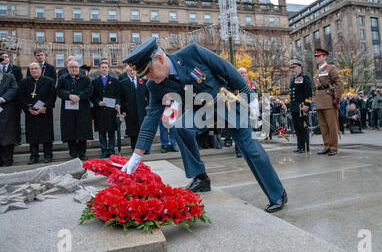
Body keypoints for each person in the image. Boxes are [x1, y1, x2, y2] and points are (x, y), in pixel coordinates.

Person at [121, 37, 287, 213]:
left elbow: (226, 68)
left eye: (149, 72)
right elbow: (151, 117)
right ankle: (201, 177)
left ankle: (277, 194)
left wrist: (249, 95)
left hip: (225, 103)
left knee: (249, 148)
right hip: (201, 112)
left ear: (160, 59)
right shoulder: (155, 86)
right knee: (180, 126)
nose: (148, 78)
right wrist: (137, 155)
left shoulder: (192, 53)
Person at [18, 62, 56, 164]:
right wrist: (28, 108)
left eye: (36, 68)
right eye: (32, 69)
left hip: (45, 112)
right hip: (31, 113)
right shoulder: (24, 82)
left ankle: (48, 154)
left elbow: (52, 96)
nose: (34, 70)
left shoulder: (49, 81)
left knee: (46, 134)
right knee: (32, 135)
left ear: (40, 69)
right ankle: (34, 156)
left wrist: (45, 107)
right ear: (29, 71)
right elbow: (21, 97)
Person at [57, 59, 94, 160]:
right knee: (70, 132)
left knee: (82, 132)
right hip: (68, 110)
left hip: (82, 109)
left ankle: (82, 154)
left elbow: (90, 90)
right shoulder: (62, 79)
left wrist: (79, 96)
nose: (74, 69)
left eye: (76, 67)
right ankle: (73, 154)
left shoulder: (85, 79)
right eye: (71, 67)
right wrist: (69, 95)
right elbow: (59, 91)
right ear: (67, 68)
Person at [312, 48, 344, 156]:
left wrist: (337, 98)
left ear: (325, 57)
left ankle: (333, 147)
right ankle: (327, 146)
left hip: (328, 99)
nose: (317, 58)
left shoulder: (330, 68)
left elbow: (339, 83)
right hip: (319, 100)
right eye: (316, 56)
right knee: (323, 126)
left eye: (319, 56)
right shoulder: (317, 71)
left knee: (332, 125)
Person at [0, 54, 19, 167]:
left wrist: (1, 99)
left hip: (6, 111)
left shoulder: (9, 77)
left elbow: (14, 88)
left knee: (8, 137)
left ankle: (7, 160)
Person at [91, 61, 121, 158]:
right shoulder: (95, 82)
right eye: (102, 67)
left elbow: (118, 95)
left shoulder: (115, 81)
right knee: (102, 132)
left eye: (106, 67)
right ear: (99, 69)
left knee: (112, 131)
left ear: (109, 69)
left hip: (111, 111)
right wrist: (98, 102)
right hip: (99, 111)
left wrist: (117, 104)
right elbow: (92, 96)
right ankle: (104, 150)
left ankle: (111, 150)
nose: (104, 69)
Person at [119, 65, 150, 153]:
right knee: (133, 131)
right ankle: (135, 147)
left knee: (144, 130)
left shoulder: (143, 81)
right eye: (130, 70)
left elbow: (148, 96)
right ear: (127, 72)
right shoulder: (123, 83)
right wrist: (123, 110)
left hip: (142, 109)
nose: (132, 72)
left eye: (133, 70)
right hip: (130, 111)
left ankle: (145, 148)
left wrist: (149, 107)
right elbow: (122, 98)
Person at [0, 51, 23, 144]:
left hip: (13, 100)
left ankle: (17, 139)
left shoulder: (16, 69)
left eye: (6, 56)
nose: (5, 58)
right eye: (2, 57)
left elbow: (19, 84)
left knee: (15, 121)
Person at [288, 59, 312, 153]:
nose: (292, 70)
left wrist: (307, 105)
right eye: (291, 68)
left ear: (299, 68)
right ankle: (300, 146)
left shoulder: (304, 78)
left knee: (303, 128)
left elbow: (309, 92)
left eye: (293, 68)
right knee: (297, 128)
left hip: (302, 107)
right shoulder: (293, 79)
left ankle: (305, 146)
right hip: (294, 107)